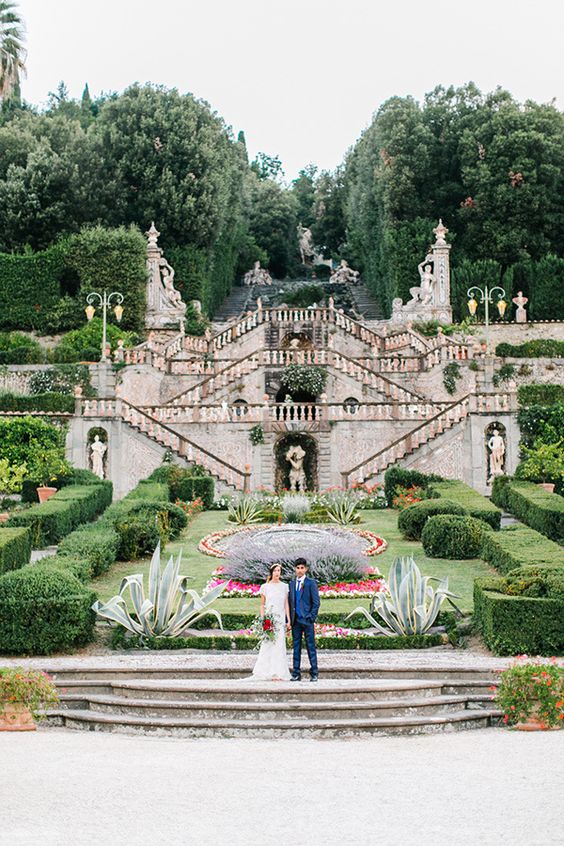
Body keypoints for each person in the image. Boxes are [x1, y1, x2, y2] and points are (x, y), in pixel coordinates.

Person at [251, 564, 291, 681]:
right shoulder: (265, 587)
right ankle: (266, 671)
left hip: (280, 620)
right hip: (269, 619)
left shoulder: (284, 586)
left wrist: (288, 620)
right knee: (268, 644)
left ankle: (278, 672)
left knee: (279, 645)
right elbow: (262, 605)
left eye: (279, 571)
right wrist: (264, 620)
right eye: (275, 571)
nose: (277, 573)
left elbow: (286, 604)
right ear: (271, 572)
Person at [289, 559, 320, 682]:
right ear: (295, 569)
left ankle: (314, 672)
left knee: (310, 647)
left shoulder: (310, 583)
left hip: (307, 621)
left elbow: (316, 602)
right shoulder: (291, 584)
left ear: (306, 569)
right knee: (296, 647)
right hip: (296, 621)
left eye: (302, 568)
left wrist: (311, 617)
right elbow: (290, 602)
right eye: (298, 568)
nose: (300, 570)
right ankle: (296, 673)